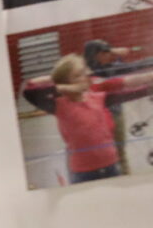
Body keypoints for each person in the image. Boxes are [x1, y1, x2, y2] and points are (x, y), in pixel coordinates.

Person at [21, 52, 151, 184]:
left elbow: (130, 92)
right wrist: (64, 84)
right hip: (83, 172)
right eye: (78, 75)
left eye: (84, 73)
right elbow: (29, 90)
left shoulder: (98, 96)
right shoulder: (59, 105)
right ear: (66, 81)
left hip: (111, 164)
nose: (86, 77)